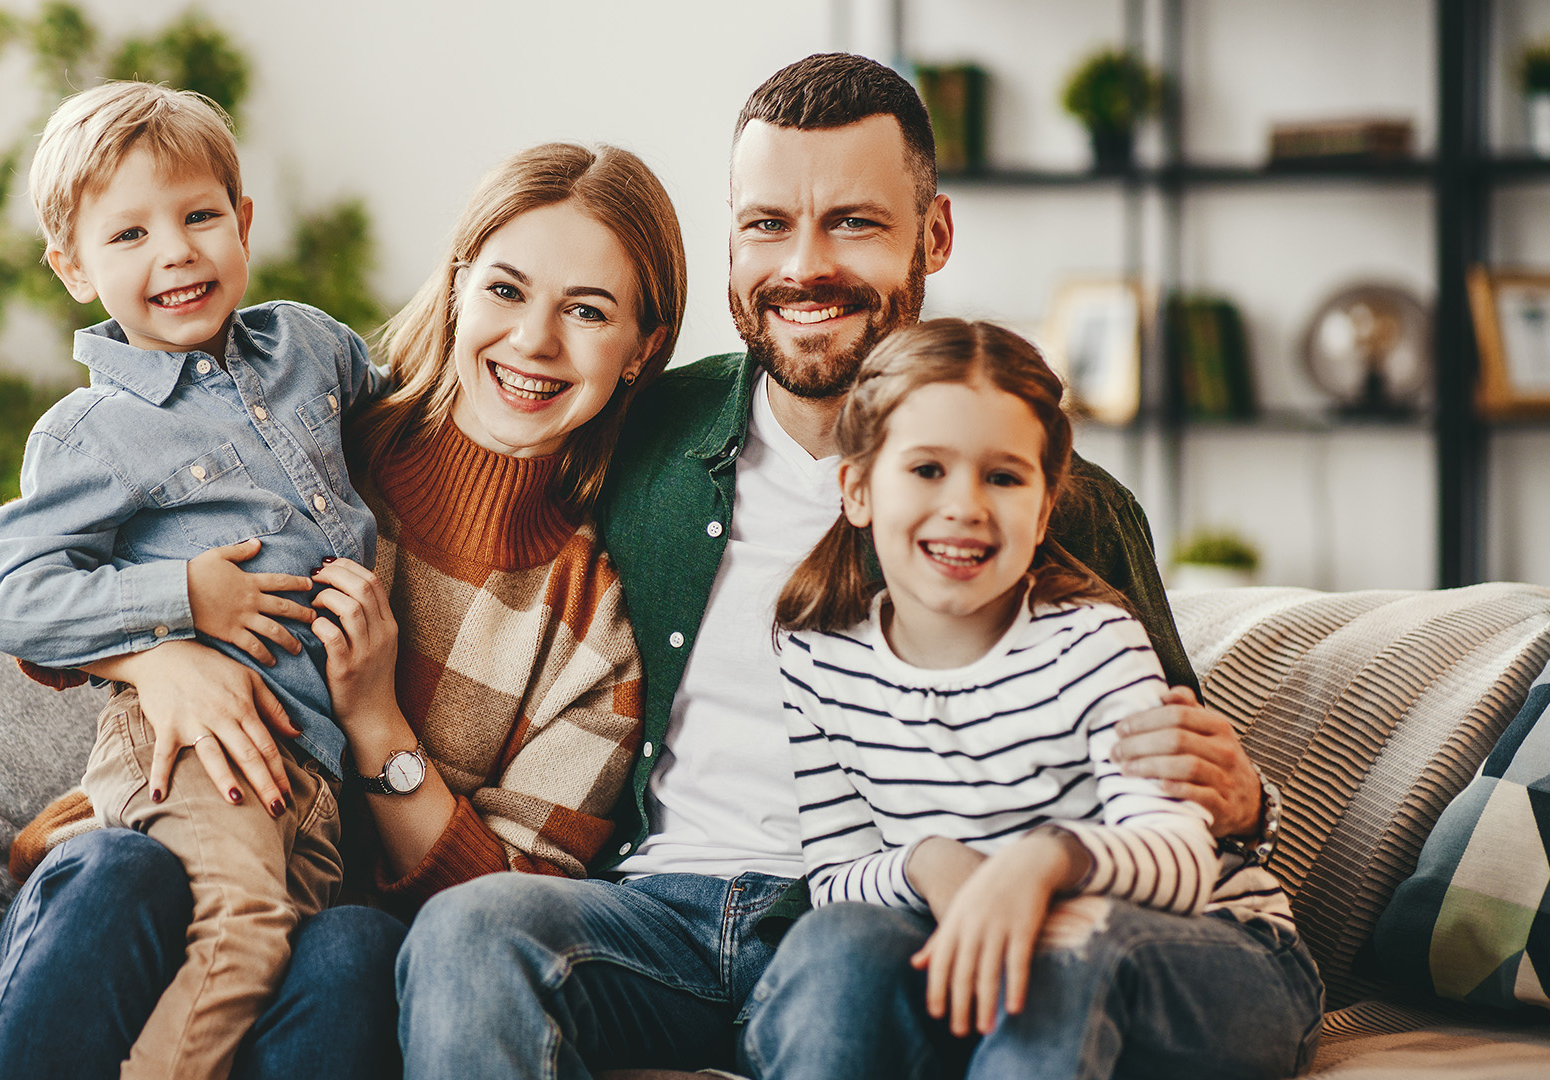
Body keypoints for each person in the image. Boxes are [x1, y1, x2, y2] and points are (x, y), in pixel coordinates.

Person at [394, 53, 1278, 1079]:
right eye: (767, 224)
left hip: (872, 913)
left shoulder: (1046, 499)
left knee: (842, 959)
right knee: (473, 932)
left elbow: (1183, 788)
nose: (803, 267)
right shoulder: (640, 429)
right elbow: (449, 439)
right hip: (653, 912)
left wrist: (1243, 799)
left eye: (853, 223)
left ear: (933, 236)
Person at [0, 140, 687, 1080]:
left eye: (587, 312)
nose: (535, 341)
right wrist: (160, 657)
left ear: (641, 350)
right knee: (117, 874)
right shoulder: (317, 430)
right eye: (506, 290)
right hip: (151, 858)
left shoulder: (591, 629)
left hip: (324, 930)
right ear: (460, 286)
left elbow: (512, 920)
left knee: (355, 948)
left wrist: (376, 720)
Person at [751, 319, 1319, 1079]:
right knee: (837, 945)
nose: (965, 505)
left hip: (1214, 959)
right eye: (926, 470)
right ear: (857, 489)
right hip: (989, 956)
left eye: (1004, 477)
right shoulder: (821, 657)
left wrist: (1040, 864)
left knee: (1068, 944)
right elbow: (834, 878)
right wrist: (928, 863)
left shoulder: (1095, 642)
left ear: (1046, 507)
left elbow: (1183, 860)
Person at [0, 80, 383, 1080]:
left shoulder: (313, 347)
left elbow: (417, 418)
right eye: (130, 236)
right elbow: (10, 597)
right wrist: (179, 606)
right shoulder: (93, 430)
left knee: (283, 956)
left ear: (243, 222)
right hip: (191, 750)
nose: (177, 251)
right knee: (241, 932)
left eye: (200, 215)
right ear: (73, 269)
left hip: (312, 769)